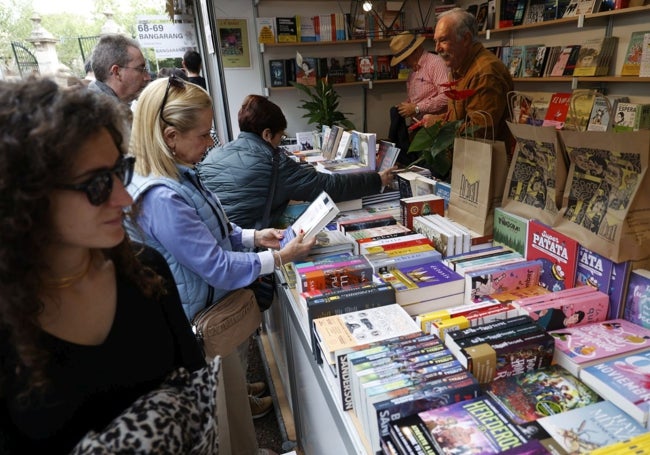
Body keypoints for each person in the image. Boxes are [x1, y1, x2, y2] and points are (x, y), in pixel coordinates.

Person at [0, 77, 206, 453]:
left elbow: (195, 390)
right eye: (96, 184)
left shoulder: (146, 273)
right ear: (26, 198)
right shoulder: (9, 325)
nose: (124, 196)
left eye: (119, 170)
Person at [126, 76, 314, 454]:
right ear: (170, 135)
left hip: (208, 309)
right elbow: (215, 265)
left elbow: (214, 228)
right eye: (203, 135)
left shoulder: (174, 174)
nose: (210, 144)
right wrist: (279, 257)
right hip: (202, 320)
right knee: (222, 414)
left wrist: (255, 237)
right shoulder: (162, 195)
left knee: (230, 404)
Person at [197, 94, 396, 230]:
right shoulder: (274, 162)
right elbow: (329, 186)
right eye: (280, 137)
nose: (280, 144)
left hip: (216, 240)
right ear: (267, 134)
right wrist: (377, 179)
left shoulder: (215, 153)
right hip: (247, 246)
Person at [424, 8, 514, 147]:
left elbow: (479, 133)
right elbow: (460, 119)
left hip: (483, 163)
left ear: (466, 39)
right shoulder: (460, 67)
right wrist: (438, 118)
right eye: (435, 41)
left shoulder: (484, 73)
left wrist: (438, 124)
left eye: (443, 40)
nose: (437, 48)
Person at [388, 32, 449, 164]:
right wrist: (406, 106)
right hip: (419, 131)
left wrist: (416, 108)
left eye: (404, 59)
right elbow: (415, 99)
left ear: (414, 51)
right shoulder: (412, 74)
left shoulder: (435, 64)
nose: (404, 64)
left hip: (436, 131)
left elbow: (447, 96)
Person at [88, 34, 151, 105]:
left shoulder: (100, 107)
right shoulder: (104, 113)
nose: (147, 77)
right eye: (140, 69)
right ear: (117, 72)